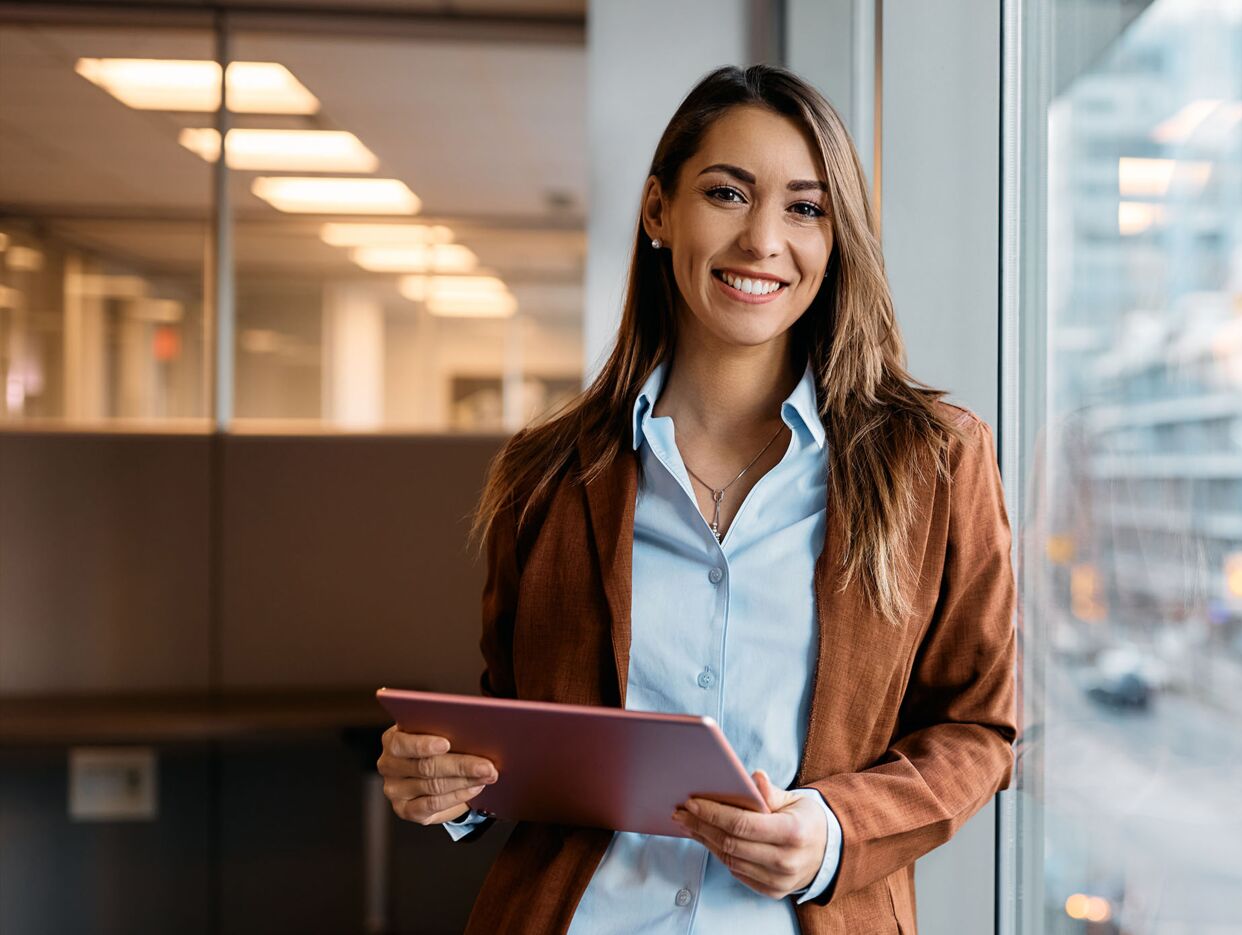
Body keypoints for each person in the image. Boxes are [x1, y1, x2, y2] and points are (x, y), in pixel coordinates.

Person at [373, 64, 1017, 934]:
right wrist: (450, 787)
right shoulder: (548, 475)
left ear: (837, 239)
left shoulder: (935, 461)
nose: (763, 239)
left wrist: (831, 832)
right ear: (657, 211)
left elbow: (979, 728)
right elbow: (518, 724)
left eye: (805, 207)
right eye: (727, 192)